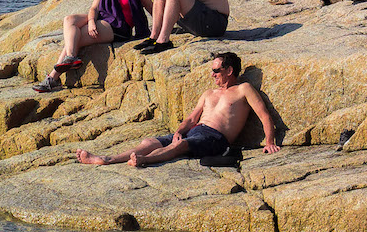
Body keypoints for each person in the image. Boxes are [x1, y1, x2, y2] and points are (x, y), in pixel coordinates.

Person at [75, 52, 279, 167]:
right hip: (194, 130)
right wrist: (179, 132)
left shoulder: (243, 89)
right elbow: (191, 118)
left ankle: (145, 160)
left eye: (216, 71)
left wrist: (269, 142)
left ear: (230, 71)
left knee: (182, 146)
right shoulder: (209, 93)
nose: (212, 75)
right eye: (212, 70)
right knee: (149, 141)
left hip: (216, 139)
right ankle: (105, 159)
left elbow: (264, 115)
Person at [33, 0, 153, 93]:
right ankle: (71, 58)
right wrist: (91, 22)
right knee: (69, 20)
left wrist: (161, 30)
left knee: (73, 38)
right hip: (103, 18)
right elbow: (94, 8)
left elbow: (151, 7)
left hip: (119, 26)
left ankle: (53, 77)